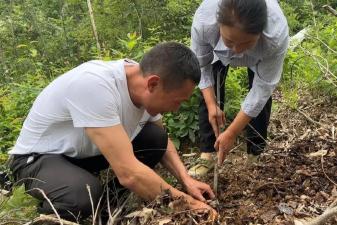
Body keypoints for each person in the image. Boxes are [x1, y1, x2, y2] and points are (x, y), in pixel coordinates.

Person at [8, 42, 216, 221]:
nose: (175, 109)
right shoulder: (95, 85)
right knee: (81, 195)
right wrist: (188, 205)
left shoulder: (144, 82)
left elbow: (163, 143)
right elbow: (129, 173)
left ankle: (106, 209)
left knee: (155, 138)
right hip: (38, 159)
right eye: (176, 101)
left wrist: (186, 180)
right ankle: (51, 216)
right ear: (153, 83)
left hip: (82, 154)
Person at [188, 0, 289, 177]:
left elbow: (262, 88)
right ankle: (208, 153)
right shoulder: (204, 22)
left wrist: (232, 132)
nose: (237, 51)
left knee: (261, 100)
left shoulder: (275, 35)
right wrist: (212, 105)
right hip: (216, 51)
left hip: (260, 56)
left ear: (260, 32)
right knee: (210, 94)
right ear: (218, 24)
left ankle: (255, 152)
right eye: (230, 41)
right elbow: (202, 67)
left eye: (247, 43)